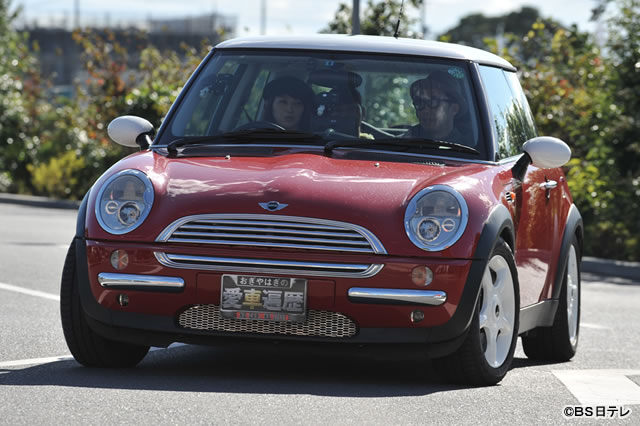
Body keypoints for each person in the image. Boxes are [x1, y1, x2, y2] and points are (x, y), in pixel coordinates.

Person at [407, 70, 466, 143]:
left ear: (454, 109)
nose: (425, 110)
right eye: (419, 102)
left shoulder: (466, 146)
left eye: (433, 102)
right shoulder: (405, 141)